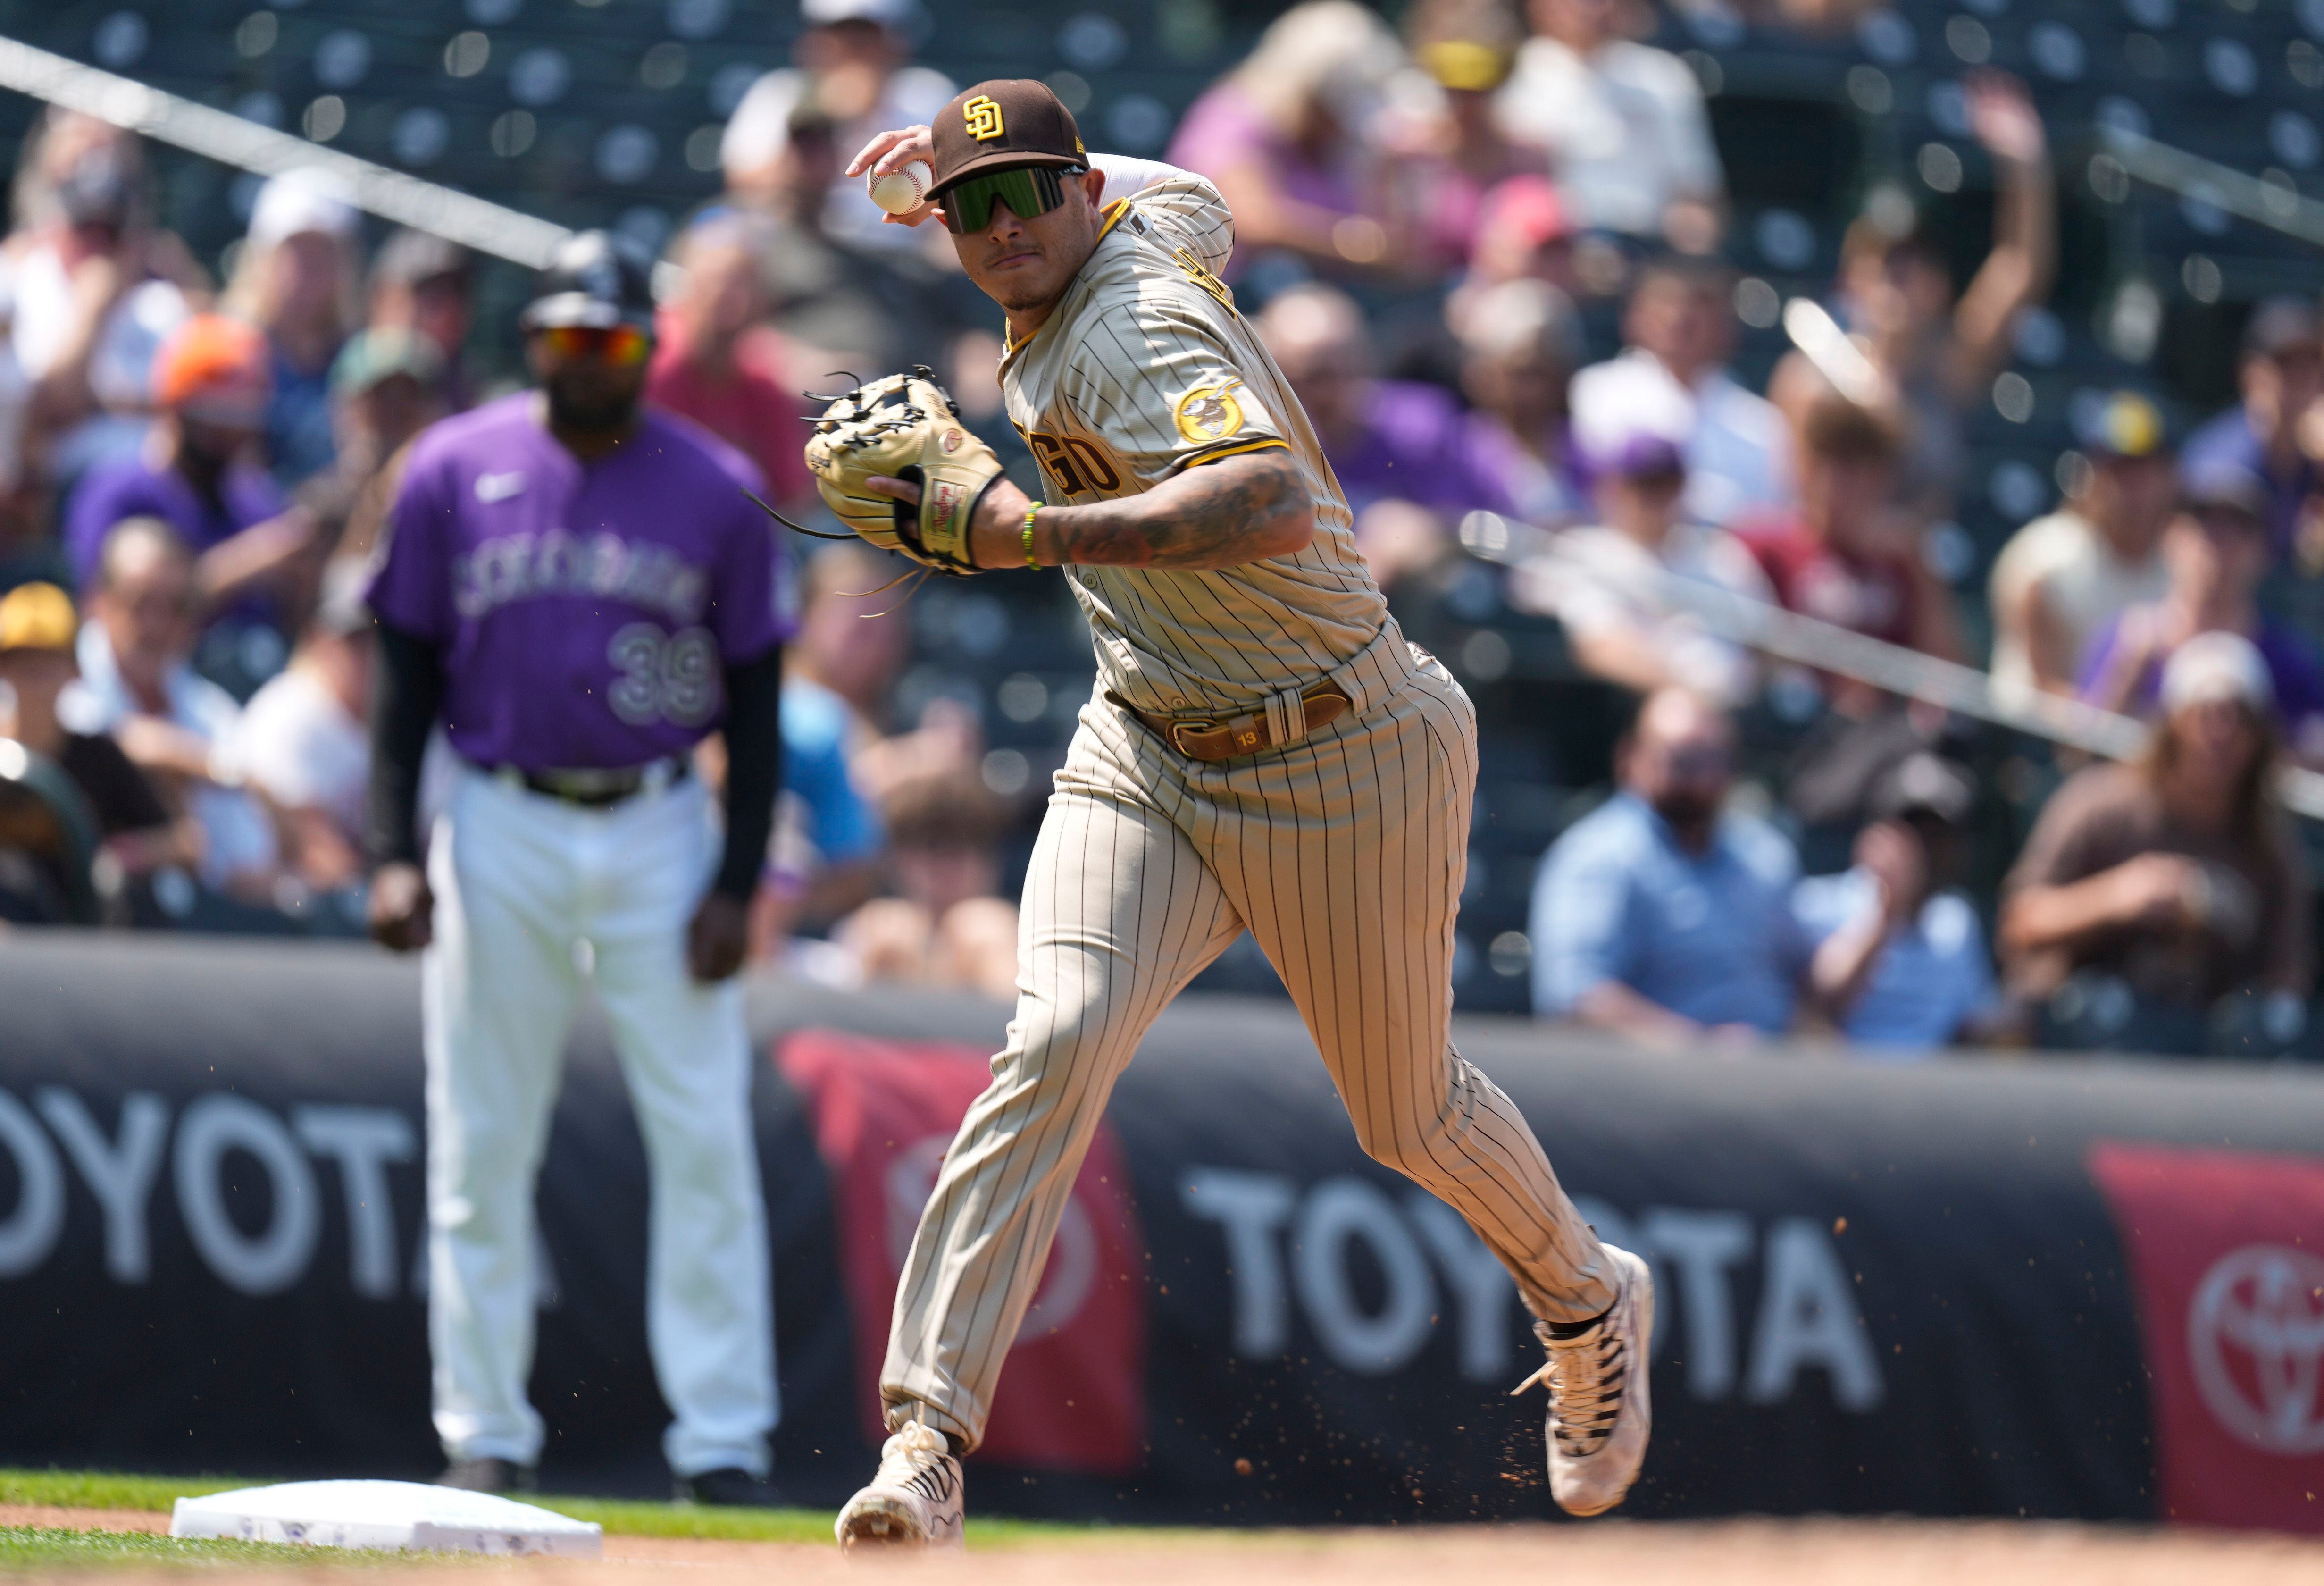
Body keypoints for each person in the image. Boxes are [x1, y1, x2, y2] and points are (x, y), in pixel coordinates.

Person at [835, 81, 1651, 1545]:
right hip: (1147, 739)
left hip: (1341, 745)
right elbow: (1179, 186)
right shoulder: (1158, 213)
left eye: (1029, 193)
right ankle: (926, 1441)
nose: (1003, 226)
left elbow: (1269, 496)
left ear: (1086, 191)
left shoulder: (1144, 317)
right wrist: (952, 175)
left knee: (1406, 1114)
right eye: (972, 207)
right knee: (1056, 1036)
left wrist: (1025, 532)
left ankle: (1588, 1300)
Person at [361, 232, 787, 1505]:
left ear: (646, 347)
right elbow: (402, 684)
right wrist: (392, 853)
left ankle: (722, 1443)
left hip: (660, 821)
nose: (582, 359)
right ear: (532, 341)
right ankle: (481, 1430)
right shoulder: (450, 469)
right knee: (482, 1138)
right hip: (499, 818)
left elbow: (757, 705)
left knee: (704, 1132)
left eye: (604, 339)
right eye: (562, 337)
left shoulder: (713, 488)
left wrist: (737, 880)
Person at [1770, 73, 2054, 529]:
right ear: (1851, 281)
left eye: (1914, 261)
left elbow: (2023, 268)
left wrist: (2026, 163)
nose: (1897, 275)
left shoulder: (1950, 370)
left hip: (1911, 577)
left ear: (1940, 287)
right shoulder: (1808, 378)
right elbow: (1796, 497)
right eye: (1882, 260)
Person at [2000, 632, 2311, 1049]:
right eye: (2206, 714)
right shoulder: (2101, 806)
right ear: (2172, 723)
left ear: (2259, 736)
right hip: (2093, 1038)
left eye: (2238, 717)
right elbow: (2020, 923)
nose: (2220, 733)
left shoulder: (2268, 839)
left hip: (2211, 1050)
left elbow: (2288, 975)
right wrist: (2116, 897)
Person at [1531, 688, 1808, 1042]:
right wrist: (1700, 1050)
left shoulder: (1765, 854)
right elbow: (1575, 996)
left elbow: (1806, 976)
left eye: (1716, 759)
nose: (1702, 777)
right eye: (1683, 760)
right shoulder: (1597, 856)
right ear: (1630, 758)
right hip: (1648, 1086)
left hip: (1779, 1077)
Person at [63, 315, 314, 635]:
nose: (229, 433)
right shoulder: (116, 492)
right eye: (214, 418)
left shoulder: (258, 502)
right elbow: (101, 609)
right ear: (176, 411)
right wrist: (247, 562)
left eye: (241, 419)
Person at [1254, 283, 1513, 585]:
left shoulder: (1421, 426)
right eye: (1303, 379)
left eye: (1337, 372)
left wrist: (1409, 534)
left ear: (1363, 362)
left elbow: (1473, 527)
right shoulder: (1263, 447)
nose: (1324, 394)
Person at [73, 517, 277, 895]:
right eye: (142, 602)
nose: (157, 623)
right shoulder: (58, 680)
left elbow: (251, 861)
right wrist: (203, 765)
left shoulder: (212, 712)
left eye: (177, 606)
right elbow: (95, 739)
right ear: (98, 602)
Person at [2079, 461, 2324, 757]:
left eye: (2238, 528)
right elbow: (2075, 756)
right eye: (2203, 524)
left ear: (2264, 552)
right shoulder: (2125, 641)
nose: (2218, 543)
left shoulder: (2287, 666)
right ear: (2170, 536)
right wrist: (2126, 673)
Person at [1511, 429, 1772, 707]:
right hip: (1648, 709)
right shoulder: (1588, 552)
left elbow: (1771, 645)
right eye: (1646, 484)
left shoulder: (1720, 554)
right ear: (1615, 488)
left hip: (1742, 713)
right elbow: (1601, 647)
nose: (1658, 497)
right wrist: (1694, 698)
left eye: (1669, 483)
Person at [1166, 0, 1413, 281]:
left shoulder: (1335, 142)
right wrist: (1357, 243)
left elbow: (1398, 247)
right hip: (1227, 297)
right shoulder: (1234, 117)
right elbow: (1251, 219)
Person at [1737, 397, 1962, 690]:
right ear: (1805, 467)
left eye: (1854, 473)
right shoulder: (1763, 545)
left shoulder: (1904, 559)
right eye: (1827, 467)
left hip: (1888, 726)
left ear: (1882, 479)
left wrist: (1920, 569)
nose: (1835, 488)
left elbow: (1948, 675)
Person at [1790, 752, 2003, 1052]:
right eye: (1914, 832)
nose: (1926, 850)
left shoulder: (1957, 920)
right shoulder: (1819, 905)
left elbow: (1975, 1025)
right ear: (1878, 834)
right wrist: (1887, 914)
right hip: (1846, 1084)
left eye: (1939, 836)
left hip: (1938, 1089)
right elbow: (1819, 1007)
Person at [1570, 255, 1793, 529]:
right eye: (1666, 302)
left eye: (1700, 303)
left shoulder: (1763, 425)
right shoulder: (1593, 393)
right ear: (1635, 316)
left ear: (1726, 324)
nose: (1680, 318)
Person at [719, 0, 956, 255]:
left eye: (865, 38)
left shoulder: (928, 96)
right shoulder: (780, 93)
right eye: (839, 36)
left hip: (906, 259)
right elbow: (745, 187)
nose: (851, 50)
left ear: (895, 44)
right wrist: (828, 116)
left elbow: (958, 194)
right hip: (801, 254)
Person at [1986, 390, 2176, 705]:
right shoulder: (2041, 559)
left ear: (2168, 475)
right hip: (2030, 743)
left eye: (2143, 468)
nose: (2131, 488)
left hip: (2134, 744)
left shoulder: (2182, 567)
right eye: (2117, 469)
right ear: (2093, 474)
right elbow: (2044, 690)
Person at [1494, 0, 1724, 252]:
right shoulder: (1509, 75)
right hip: (1551, 249)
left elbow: (1698, 194)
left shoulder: (1662, 76)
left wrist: (1689, 253)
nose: (1588, 7)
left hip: (1648, 251)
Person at [0, 579, 187, 877]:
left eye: (48, 662)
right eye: (23, 662)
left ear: (75, 670)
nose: (35, 678)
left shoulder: (99, 757)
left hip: (80, 920)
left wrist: (123, 857)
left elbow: (186, 842)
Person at [645, 212, 815, 514]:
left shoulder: (764, 382)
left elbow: (791, 498)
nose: (728, 296)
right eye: (717, 281)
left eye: (744, 284)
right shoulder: (647, 363)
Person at [234, 558, 373, 894]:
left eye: (381, 639)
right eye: (356, 639)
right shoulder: (288, 714)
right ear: (320, 639)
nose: (370, 654)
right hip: (281, 926)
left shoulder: (411, 721)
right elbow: (319, 855)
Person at [223, 169, 362, 487]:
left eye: (323, 251)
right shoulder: (231, 353)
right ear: (262, 259)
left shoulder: (363, 359)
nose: (309, 266)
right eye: (296, 249)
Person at [830, 772, 1020, 1001]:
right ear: (896, 860)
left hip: (991, 1034)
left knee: (980, 930)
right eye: (930, 844)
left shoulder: (1009, 933)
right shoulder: (875, 931)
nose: (945, 865)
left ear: (990, 861)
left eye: (962, 845)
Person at [2180, 296, 2320, 560]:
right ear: (2251, 373)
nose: (2300, 377)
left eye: (2311, 362)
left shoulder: (2311, 459)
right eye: (2286, 363)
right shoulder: (2220, 460)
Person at [1455, 277, 1588, 529]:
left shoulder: (1586, 454)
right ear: (1481, 373)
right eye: (1524, 373)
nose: (1538, 389)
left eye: (1551, 371)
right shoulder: (1457, 455)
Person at [366, 228, 475, 411]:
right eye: (427, 297)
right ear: (380, 301)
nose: (445, 314)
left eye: (453, 294)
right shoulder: (338, 384)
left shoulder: (478, 402)